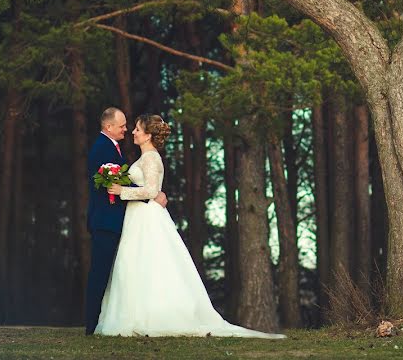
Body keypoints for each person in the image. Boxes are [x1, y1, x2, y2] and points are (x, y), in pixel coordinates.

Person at [94, 114, 286, 339]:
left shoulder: (151, 158)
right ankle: (135, 312)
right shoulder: (144, 157)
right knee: (135, 263)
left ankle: (153, 315)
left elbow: (151, 191)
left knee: (149, 263)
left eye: (137, 129)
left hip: (147, 217)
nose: (134, 132)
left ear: (148, 135)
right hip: (138, 216)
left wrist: (121, 191)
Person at [84, 107, 167, 336]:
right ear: (108, 127)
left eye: (134, 127)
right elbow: (112, 186)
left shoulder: (140, 155)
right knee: (100, 273)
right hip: (106, 221)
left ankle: (102, 320)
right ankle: (91, 324)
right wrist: (151, 193)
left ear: (148, 135)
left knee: (119, 271)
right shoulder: (102, 149)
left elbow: (143, 186)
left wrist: (150, 192)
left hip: (124, 220)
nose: (127, 129)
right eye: (122, 126)